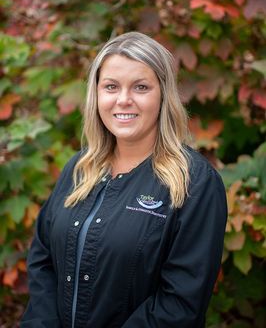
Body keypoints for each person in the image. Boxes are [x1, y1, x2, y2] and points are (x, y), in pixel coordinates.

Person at [21, 31, 227, 328]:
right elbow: (42, 258)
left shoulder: (194, 183)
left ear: (163, 95)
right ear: (97, 94)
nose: (123, 100)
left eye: (141, 87)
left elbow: (181, 302)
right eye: (111, 86)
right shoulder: (79, 168)